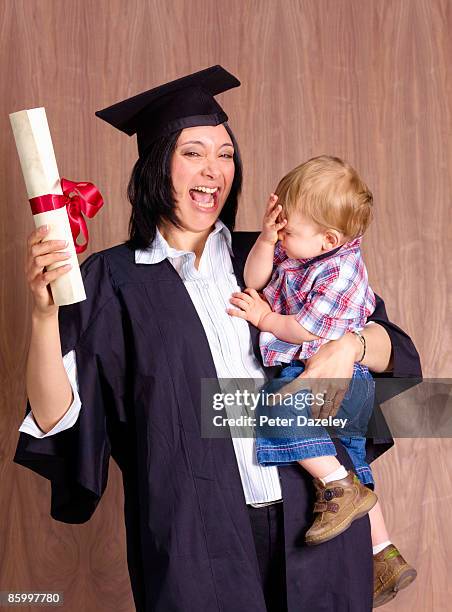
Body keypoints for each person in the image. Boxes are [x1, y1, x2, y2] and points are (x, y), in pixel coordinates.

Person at [15, 66, 421, 612]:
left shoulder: (279, 255)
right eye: (193, 152)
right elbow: (58, 416)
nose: (214, 169)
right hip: (195, 540)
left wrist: (351, 345)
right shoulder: (114, 279)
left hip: (316, 519)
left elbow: (396, 353)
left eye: (226, 154)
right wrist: (44, 318)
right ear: (159, 163)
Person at [226, 155, 417, 606]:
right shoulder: (299, 247)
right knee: (349, 456)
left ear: (330, 238)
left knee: (277, 410)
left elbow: (305, 328)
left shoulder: (340, 270)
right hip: (336, 379)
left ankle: (337, 487)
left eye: (288, 230)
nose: (281, 235)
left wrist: (265, 317)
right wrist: (271, 237)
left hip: (335, 377)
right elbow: (255, 277)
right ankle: (382, 552)